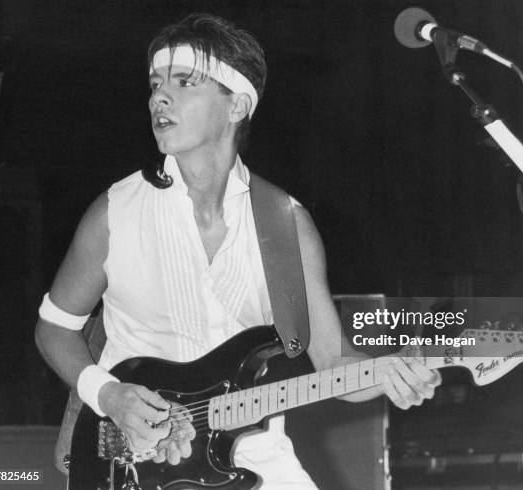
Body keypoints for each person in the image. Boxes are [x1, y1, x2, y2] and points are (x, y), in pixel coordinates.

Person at [35, 12, 441, 488]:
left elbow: (333, 363)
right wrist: (108, 395)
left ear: (237, 105)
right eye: (155, 83)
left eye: (185, 82)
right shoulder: (114, 213)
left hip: (255, 457)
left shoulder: (286, 225)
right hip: (129, 462)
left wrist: (396, 376)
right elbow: (53, 329)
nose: (158, 97)